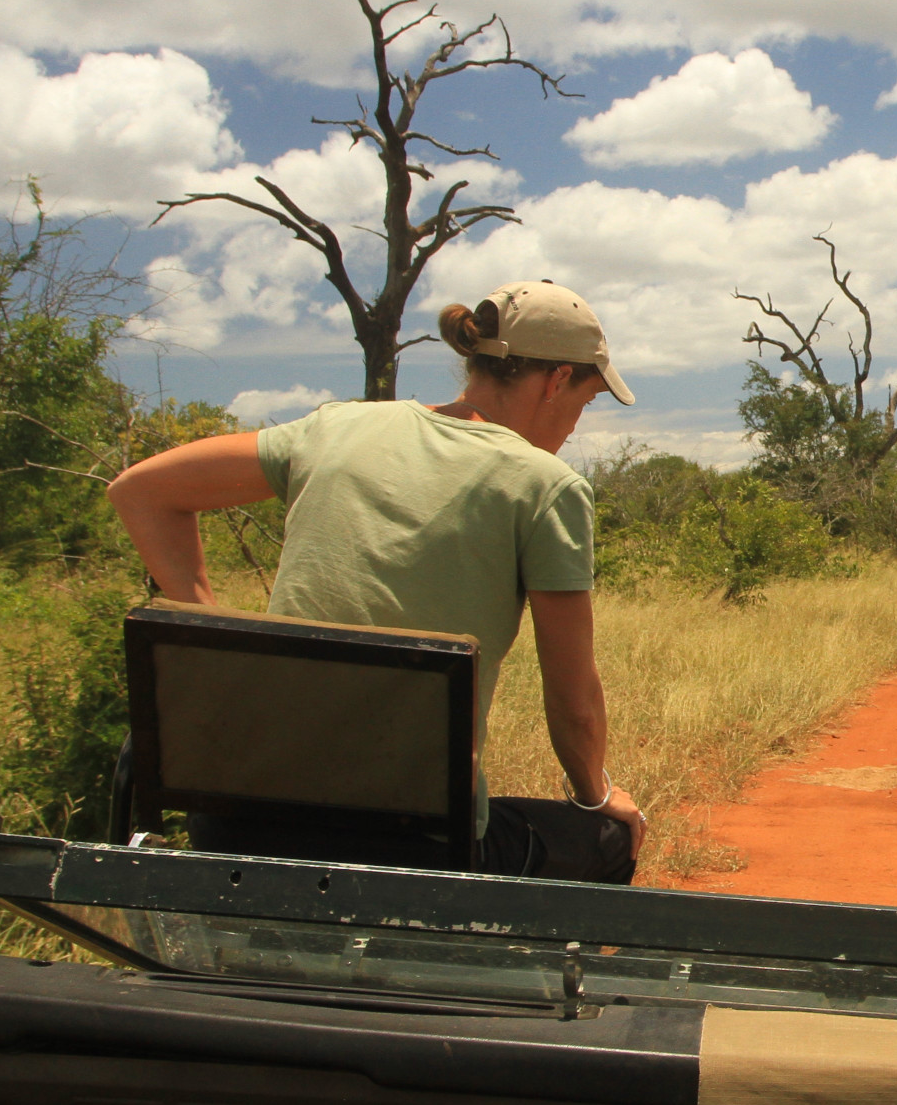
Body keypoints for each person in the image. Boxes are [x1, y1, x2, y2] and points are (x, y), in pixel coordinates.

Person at [105, 280, 647, 884]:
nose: (575, 424)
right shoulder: (545, 485)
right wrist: (600, 796)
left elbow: (141, 492)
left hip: (236, 822)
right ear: (555, 382)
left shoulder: (333, 429)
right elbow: (573, 704)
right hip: (414, 850)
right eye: (586, 400)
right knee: (607, 840)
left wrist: (214, 635)